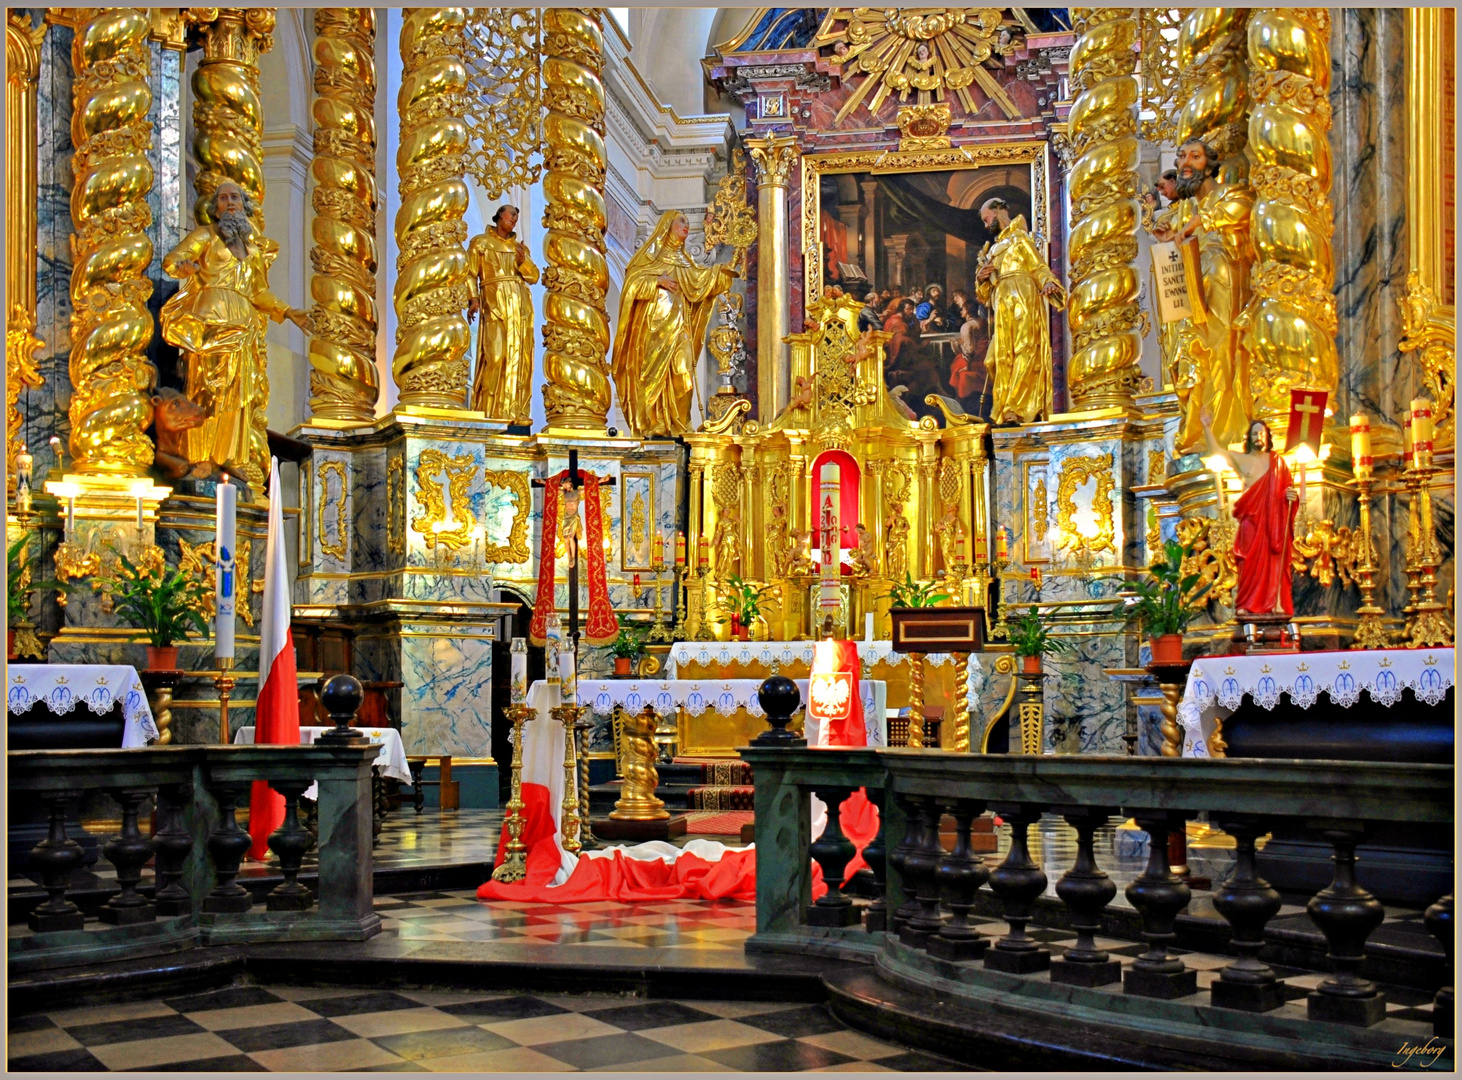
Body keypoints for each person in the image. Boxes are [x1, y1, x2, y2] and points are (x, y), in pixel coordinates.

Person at [162, 181, 311, 487]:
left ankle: (229, 456)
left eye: (235, 198)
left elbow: (258, 293)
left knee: (237, 395)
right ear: (215, 207)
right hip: (210, 322)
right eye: (223, 198)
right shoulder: (204, 236)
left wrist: (287, 311)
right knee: (206, 389)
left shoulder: (253, 251)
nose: (230, 203)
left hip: (243, 324)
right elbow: (171, 262)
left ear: (244, 205)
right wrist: (185, 267)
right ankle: (200, 455)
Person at [1151, 139, 1255, 454]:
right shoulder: (1187, 212)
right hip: (1196, 284)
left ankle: (1225, 431)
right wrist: (1174, 242)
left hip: (1225, 277)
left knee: (1222, 349)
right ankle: (1201, 429)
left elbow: (1241, 210)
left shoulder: (1228, 195)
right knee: (1195, 356)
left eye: (1194, 157)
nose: (1185, 163)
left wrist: (1192, 226)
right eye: (1181, 157)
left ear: (1209, 165)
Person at [610, 211, 735, 437]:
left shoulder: (685, 262)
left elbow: (700, 282)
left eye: (688, 222)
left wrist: (720, 273)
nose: (686, 226)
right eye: (682, 221)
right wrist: (657, 281)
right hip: (653, 328)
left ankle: (680, 424)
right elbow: (631, 285)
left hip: (679, 328)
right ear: (667, 225)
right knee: (651, 375)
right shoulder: (648, 259)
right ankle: (654, 423)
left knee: (684, 373)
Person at [975, 197, 1065, 425]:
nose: (986, 226)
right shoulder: (993, 249)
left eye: (987, 219)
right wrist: (981, 279)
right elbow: (983, 294)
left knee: (1025, 349)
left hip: (1024, 298)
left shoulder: (1020, 239)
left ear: (998, 210)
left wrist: (1046, 283)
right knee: (997, 357)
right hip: (1003, 303)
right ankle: (1005, 405)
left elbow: (1038, 267)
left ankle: (1017, 408)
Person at [1202, 410, 1298, 617]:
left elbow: (1287, 491)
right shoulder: (1241, 460)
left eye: (1262, 434)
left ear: (1268, 437)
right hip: (1250, 522)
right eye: (1255, 434)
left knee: (1273, 562)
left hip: (1273, 523)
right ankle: (1246, 603)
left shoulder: (1278, 463)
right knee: (1247, 560)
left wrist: (1290, 496)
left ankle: (1273, 603)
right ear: (1249, 437)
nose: (1258, 437)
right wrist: (1207, 428)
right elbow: (1216, 451)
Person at [466, 205, 539, 424]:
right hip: (495, 302)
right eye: (511, 215)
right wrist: (474, 299)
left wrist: (522, 261)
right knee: (496, 356)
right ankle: (489, 412)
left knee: (518, 357)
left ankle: (515, 412)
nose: (514, 219)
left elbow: (533, 276)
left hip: (519, 306)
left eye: (517, 216)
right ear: (499, 216)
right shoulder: (480, 243)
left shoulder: (519, 249)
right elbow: (470, 273)